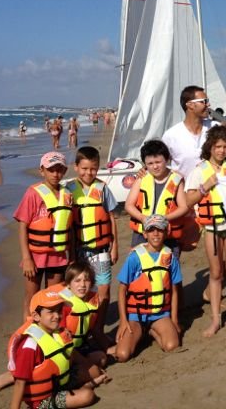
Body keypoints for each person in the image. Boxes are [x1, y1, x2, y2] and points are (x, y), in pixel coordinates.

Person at [0, 261, 112, 395]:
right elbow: (60, 344)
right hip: (52, 353)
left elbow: (90, 330)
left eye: (87, 280)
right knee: (93, 370)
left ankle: (69, 373)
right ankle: (13, 376)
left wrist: (107, 347)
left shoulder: (91, 301)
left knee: (101, 358)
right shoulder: (63, 307)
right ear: (68, 284)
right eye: (77, 281)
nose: (82, 285)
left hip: (74, 349)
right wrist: (86, 364)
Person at [184, 126, 226, 336]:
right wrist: (205, 186)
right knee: (216, 273)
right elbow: (188, 201)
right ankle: (216, 319)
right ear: (210, 147)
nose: (221, 151)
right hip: (212, 227)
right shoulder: (199, 171)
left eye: (225, 146)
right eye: (218, 146)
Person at [7, 288, 99, 409]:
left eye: (59, 310)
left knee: (95, 371)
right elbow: (20, 383)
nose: (57, 316)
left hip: (60, 383)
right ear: (36, 316)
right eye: (50, 312)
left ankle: (80, 388)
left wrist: (91, 370)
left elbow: (70, 355)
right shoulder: (30, 346)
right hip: (41, 400)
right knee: (88, 396)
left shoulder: (58, 333)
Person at [13, 152, 73, 321]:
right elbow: (22, 226)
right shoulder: (33, 193)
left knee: (52, 298)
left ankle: (49, 331)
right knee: (32, 299)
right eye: (51, 170)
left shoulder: (67, 195)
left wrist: (73, 255)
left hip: (58, 257)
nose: (55, 174)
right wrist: (26, 258)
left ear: (65, 171)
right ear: (42, 171)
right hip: (35, 257)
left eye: (59, 170)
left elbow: (71, 229)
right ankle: (28, 330)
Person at [115, 214, 181, 362]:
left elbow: (175, 290)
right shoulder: (134, 258)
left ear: (166, 232)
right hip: (136, 316)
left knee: (172, 346)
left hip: (160, 314)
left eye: (159, 229)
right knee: (122, 355)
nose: (155, 234)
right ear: (145, 234)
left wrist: (174, 319)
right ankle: (140, 333)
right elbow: (121, 290)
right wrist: (123, 321)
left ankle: (152, 331)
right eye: (151, 230)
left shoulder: (170, 257)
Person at [67, 146, 118, 325]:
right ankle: (83, 325)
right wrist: (70, 254)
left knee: (103, 289)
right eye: (84, 168)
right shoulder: (69, 189)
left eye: (93, 168)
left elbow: (111, 218)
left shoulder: (102, 188)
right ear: (76, 167)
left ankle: (99, 325)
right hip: (79, 250)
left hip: (101, 249)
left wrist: (115, 247)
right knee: (81, 289)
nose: (89, 172)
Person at [124, 140, 192, 252]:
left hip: (167, 234)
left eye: (158, 162)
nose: (155, 166)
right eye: (150, 163)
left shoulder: (176, 180)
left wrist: (165, 218)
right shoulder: (142, 178)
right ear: (145, 164)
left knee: (167, 267)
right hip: (143, 234)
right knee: (141, 267)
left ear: (167, 160)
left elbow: (183, 207)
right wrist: (142, 218)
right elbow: (129, 205)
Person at [162, 85, 212, 178]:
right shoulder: (171, 135)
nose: (208, 105)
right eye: (204, 101)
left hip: (214, 190)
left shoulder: (215, 127)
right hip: (183, 190)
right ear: (190, 105)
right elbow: (159, 162)